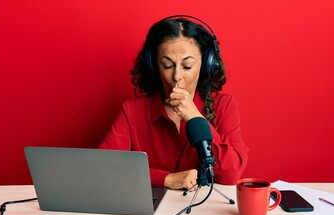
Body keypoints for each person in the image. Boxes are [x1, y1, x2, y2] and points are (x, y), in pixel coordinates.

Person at [99, 16, 248, 191]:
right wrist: (166, 179)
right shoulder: (132, 111)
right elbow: (103, 168)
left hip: (205, 212)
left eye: (187, 66)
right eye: (167, 65)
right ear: (155, 66)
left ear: (206, 65)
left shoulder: (224, 105)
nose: (177, 76)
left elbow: (231, 175)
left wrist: (195, 118)